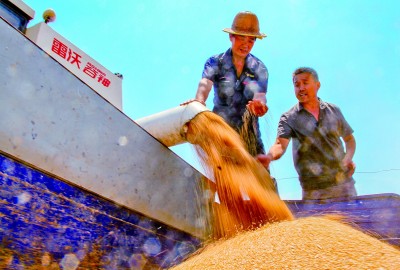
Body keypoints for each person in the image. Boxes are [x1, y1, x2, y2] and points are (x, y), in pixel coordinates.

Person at [257, 67, 357, 200]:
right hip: (313, 191)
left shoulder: (334, 111)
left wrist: (347, 159)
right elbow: (280, 144)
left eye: (305, 83)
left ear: (317, 85)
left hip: (344, 185)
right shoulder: (289, 117)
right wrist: (269, 157)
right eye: (296, 85)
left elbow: (349, 140)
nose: (301, 88)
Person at [181, 11, 269, 155]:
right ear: (231, 36)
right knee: (222, 173)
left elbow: (260, 94)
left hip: (250, 136)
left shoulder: (259, 68)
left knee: (262, 174)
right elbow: (205, 83)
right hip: (221, 132)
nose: (246, 44)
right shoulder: (215, 62)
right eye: (241, 37)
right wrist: (199, 101)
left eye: (251, 40)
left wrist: (260, 105)